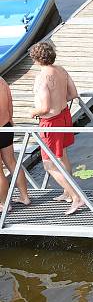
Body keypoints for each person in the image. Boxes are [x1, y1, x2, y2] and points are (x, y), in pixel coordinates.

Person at [28, 42, 83, 215]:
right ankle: (67, 192)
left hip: (50, 122)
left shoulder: (42, 78)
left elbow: (44, 108)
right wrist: (60, 100)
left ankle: (76, 197)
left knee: (49, 165)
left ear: (36, 59)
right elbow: (73, 94)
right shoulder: (61, 70)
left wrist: (33, 112)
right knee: (62, 155)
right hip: (65, 116)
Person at [0, 77, 31, 210]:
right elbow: (10, 102)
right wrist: (10, 118)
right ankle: (24, 197)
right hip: (6, 125)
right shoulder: (2, 80)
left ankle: (4, 204)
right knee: (12, 162)